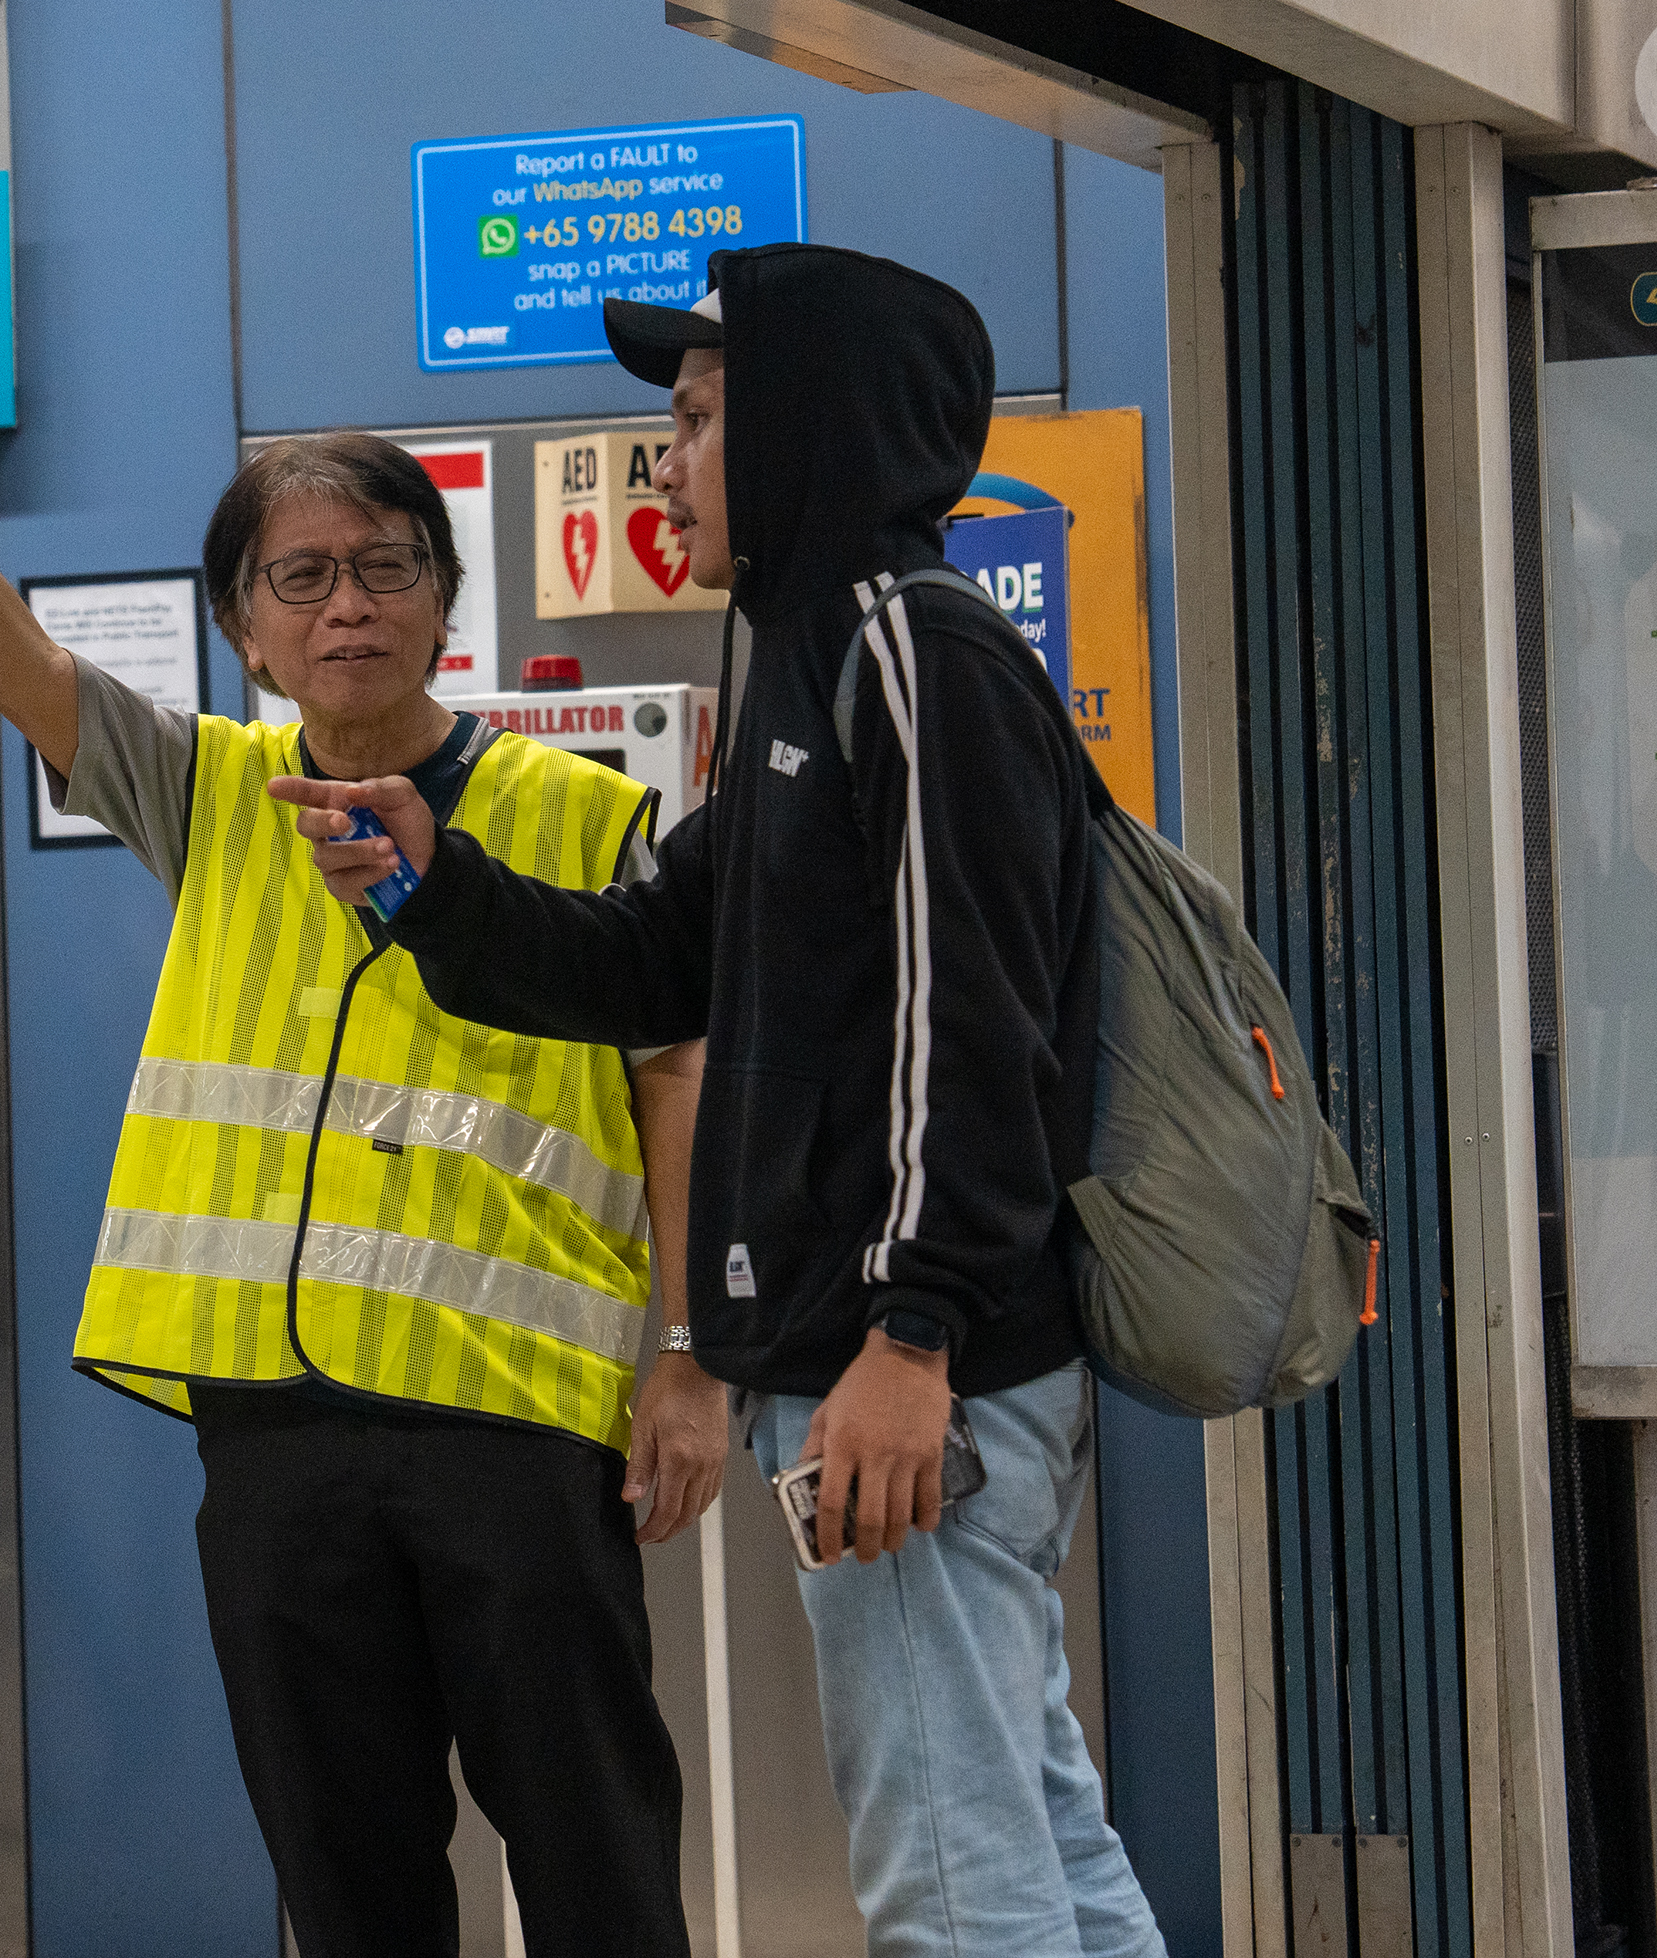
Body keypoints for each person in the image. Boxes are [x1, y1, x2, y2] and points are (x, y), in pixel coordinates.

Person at [0, 342, 724, 1958]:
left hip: (518, 1424)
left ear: (443, 598)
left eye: (386, 569)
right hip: (273, 1434)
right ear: (244, 629)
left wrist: (688, 1359)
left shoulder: (577, 811)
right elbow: (6, 659)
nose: (348, 608)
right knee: (343, 1868)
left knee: (594, 1848)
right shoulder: (210, 793)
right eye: (303, 578)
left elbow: (675, 1085)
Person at [274, 246, 1167, 1957]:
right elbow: (646, 961)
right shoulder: (806, 660)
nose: (660, 462)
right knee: (1030, 1835)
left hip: (909, 1375)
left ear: (813, 422)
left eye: (694, 418)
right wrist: (433, 883)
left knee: (954, 1881)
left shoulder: (916, 653)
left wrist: (911, 1339)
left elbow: (969, 1029)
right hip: (880, 1361)